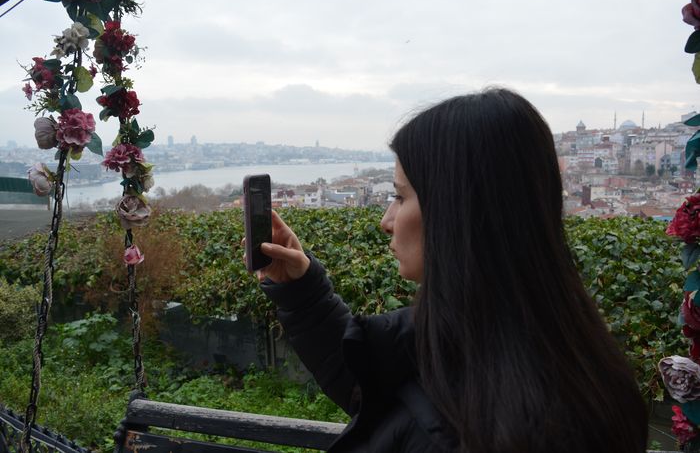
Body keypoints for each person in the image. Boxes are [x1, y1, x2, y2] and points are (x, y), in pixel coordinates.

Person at [252, 88, 648, 452]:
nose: (386, 220)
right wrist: (303, 293)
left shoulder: (467, 420)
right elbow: (387, 396)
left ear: (457, 210)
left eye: (400, 196)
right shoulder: (554, 355)